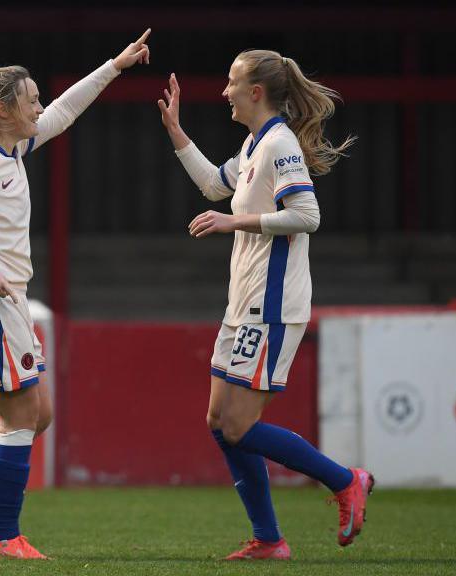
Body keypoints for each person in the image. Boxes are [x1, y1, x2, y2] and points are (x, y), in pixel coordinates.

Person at [0, 29, 152, 560]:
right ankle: (4, 537)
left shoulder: (13, 146)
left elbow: (66, 111)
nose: (40, 108)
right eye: (31, 101)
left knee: (36, 413)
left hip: (2, 299)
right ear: (4, 107)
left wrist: (114, 65)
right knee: (23, 416)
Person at [157, 49, 374, 560]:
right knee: (219, 422)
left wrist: (233, 223)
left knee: (237, 426)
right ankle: (269, 540)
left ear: (256, 92)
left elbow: (307, 215)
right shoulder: (256, 143)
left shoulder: (280, 146)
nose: (224, 91)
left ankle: (345, 480)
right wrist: (176, 130)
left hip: (272, 305)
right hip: (244, 302)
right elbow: (215, 184)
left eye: (231, 82)